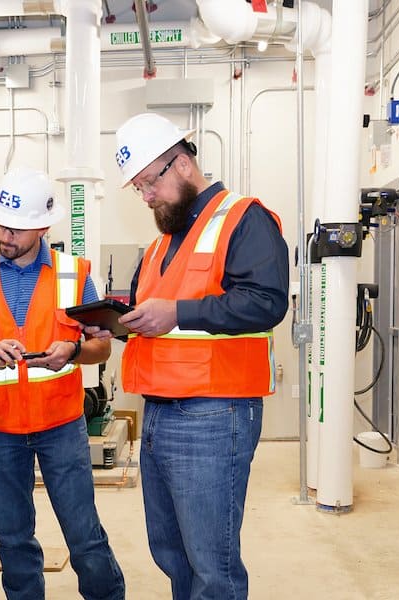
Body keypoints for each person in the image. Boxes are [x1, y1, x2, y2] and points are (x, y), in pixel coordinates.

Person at [113, 112, 289, 600]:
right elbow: (156, 315)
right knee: (171, 552)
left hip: (215, 413)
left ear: (183, 164)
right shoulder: (159, 245)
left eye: (149, 183)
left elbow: (266, 301)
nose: (146, 196)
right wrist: (112, 322)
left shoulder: (243, 217)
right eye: (138, 188)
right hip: (159, 412)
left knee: (213, 565)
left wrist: (178, 313)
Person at [0, 167, 126, 600]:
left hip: (60, 425)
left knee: (83, 534)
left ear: (43, 227)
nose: (5, 236)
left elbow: (101, 349)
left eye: (16, 228)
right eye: (0, 224)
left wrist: (72, 352)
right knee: (13, 540)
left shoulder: (74, 274)